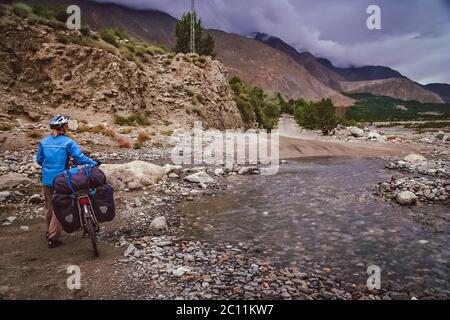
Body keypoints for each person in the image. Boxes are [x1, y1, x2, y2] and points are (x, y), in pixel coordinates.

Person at [36, 115, 98, 248]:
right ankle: (53, 237)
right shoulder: (68, 142)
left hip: (46, 179)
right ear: (62, 128)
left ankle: (49, 231)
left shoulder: (43, 142)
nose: (67, 127)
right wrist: (93, 163)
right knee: (59, 206)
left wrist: (49, 167)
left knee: (49, 206)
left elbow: (39, 160)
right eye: (66, 125)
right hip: (61, 180)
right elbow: (79, 158)